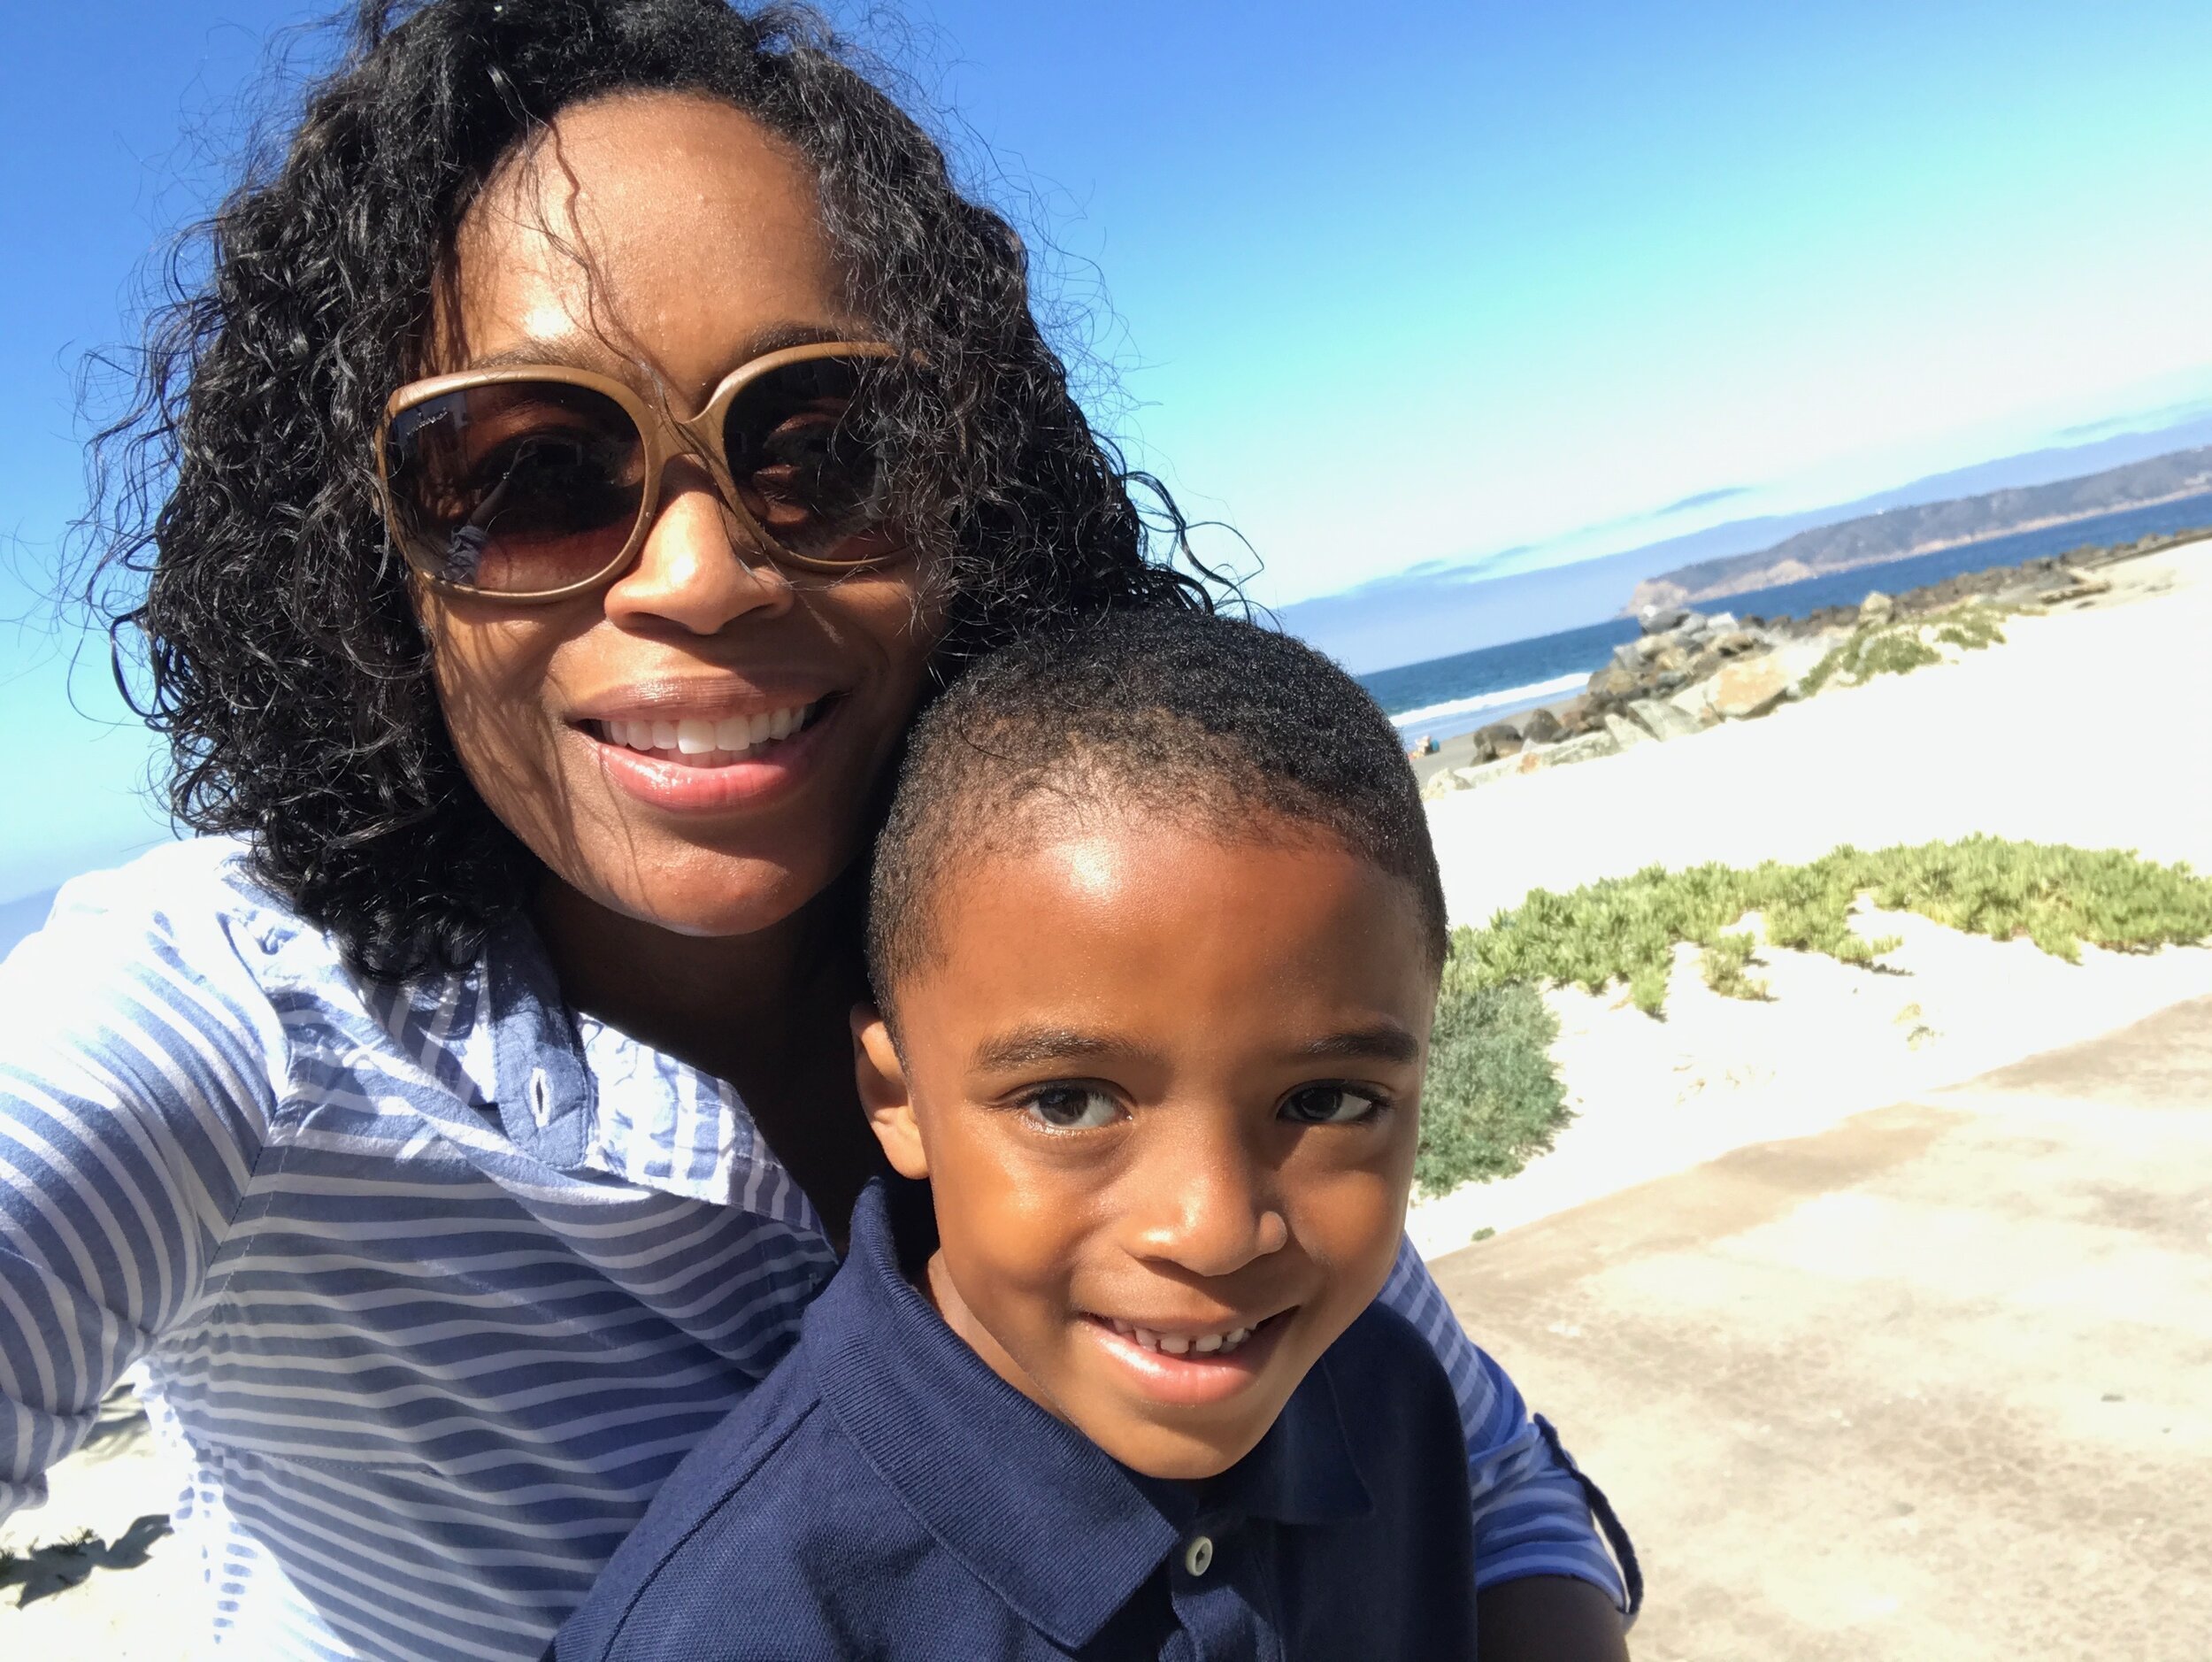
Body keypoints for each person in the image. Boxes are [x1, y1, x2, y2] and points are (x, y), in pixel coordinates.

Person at [0, 4, 1632, 1658]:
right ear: (368, 560)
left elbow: (1477, 1475)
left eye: (826, 447)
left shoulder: (1068, 916)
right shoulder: (232, 1023)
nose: (701, 574)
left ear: (971, 491)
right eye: (528, 471)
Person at [556, 611, 1492, 1659]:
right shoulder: (736, 1625)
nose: (1214, 1229)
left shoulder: (1388, 1398)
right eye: (1069, 1103)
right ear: (895, 1098)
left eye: (1324, 1103)